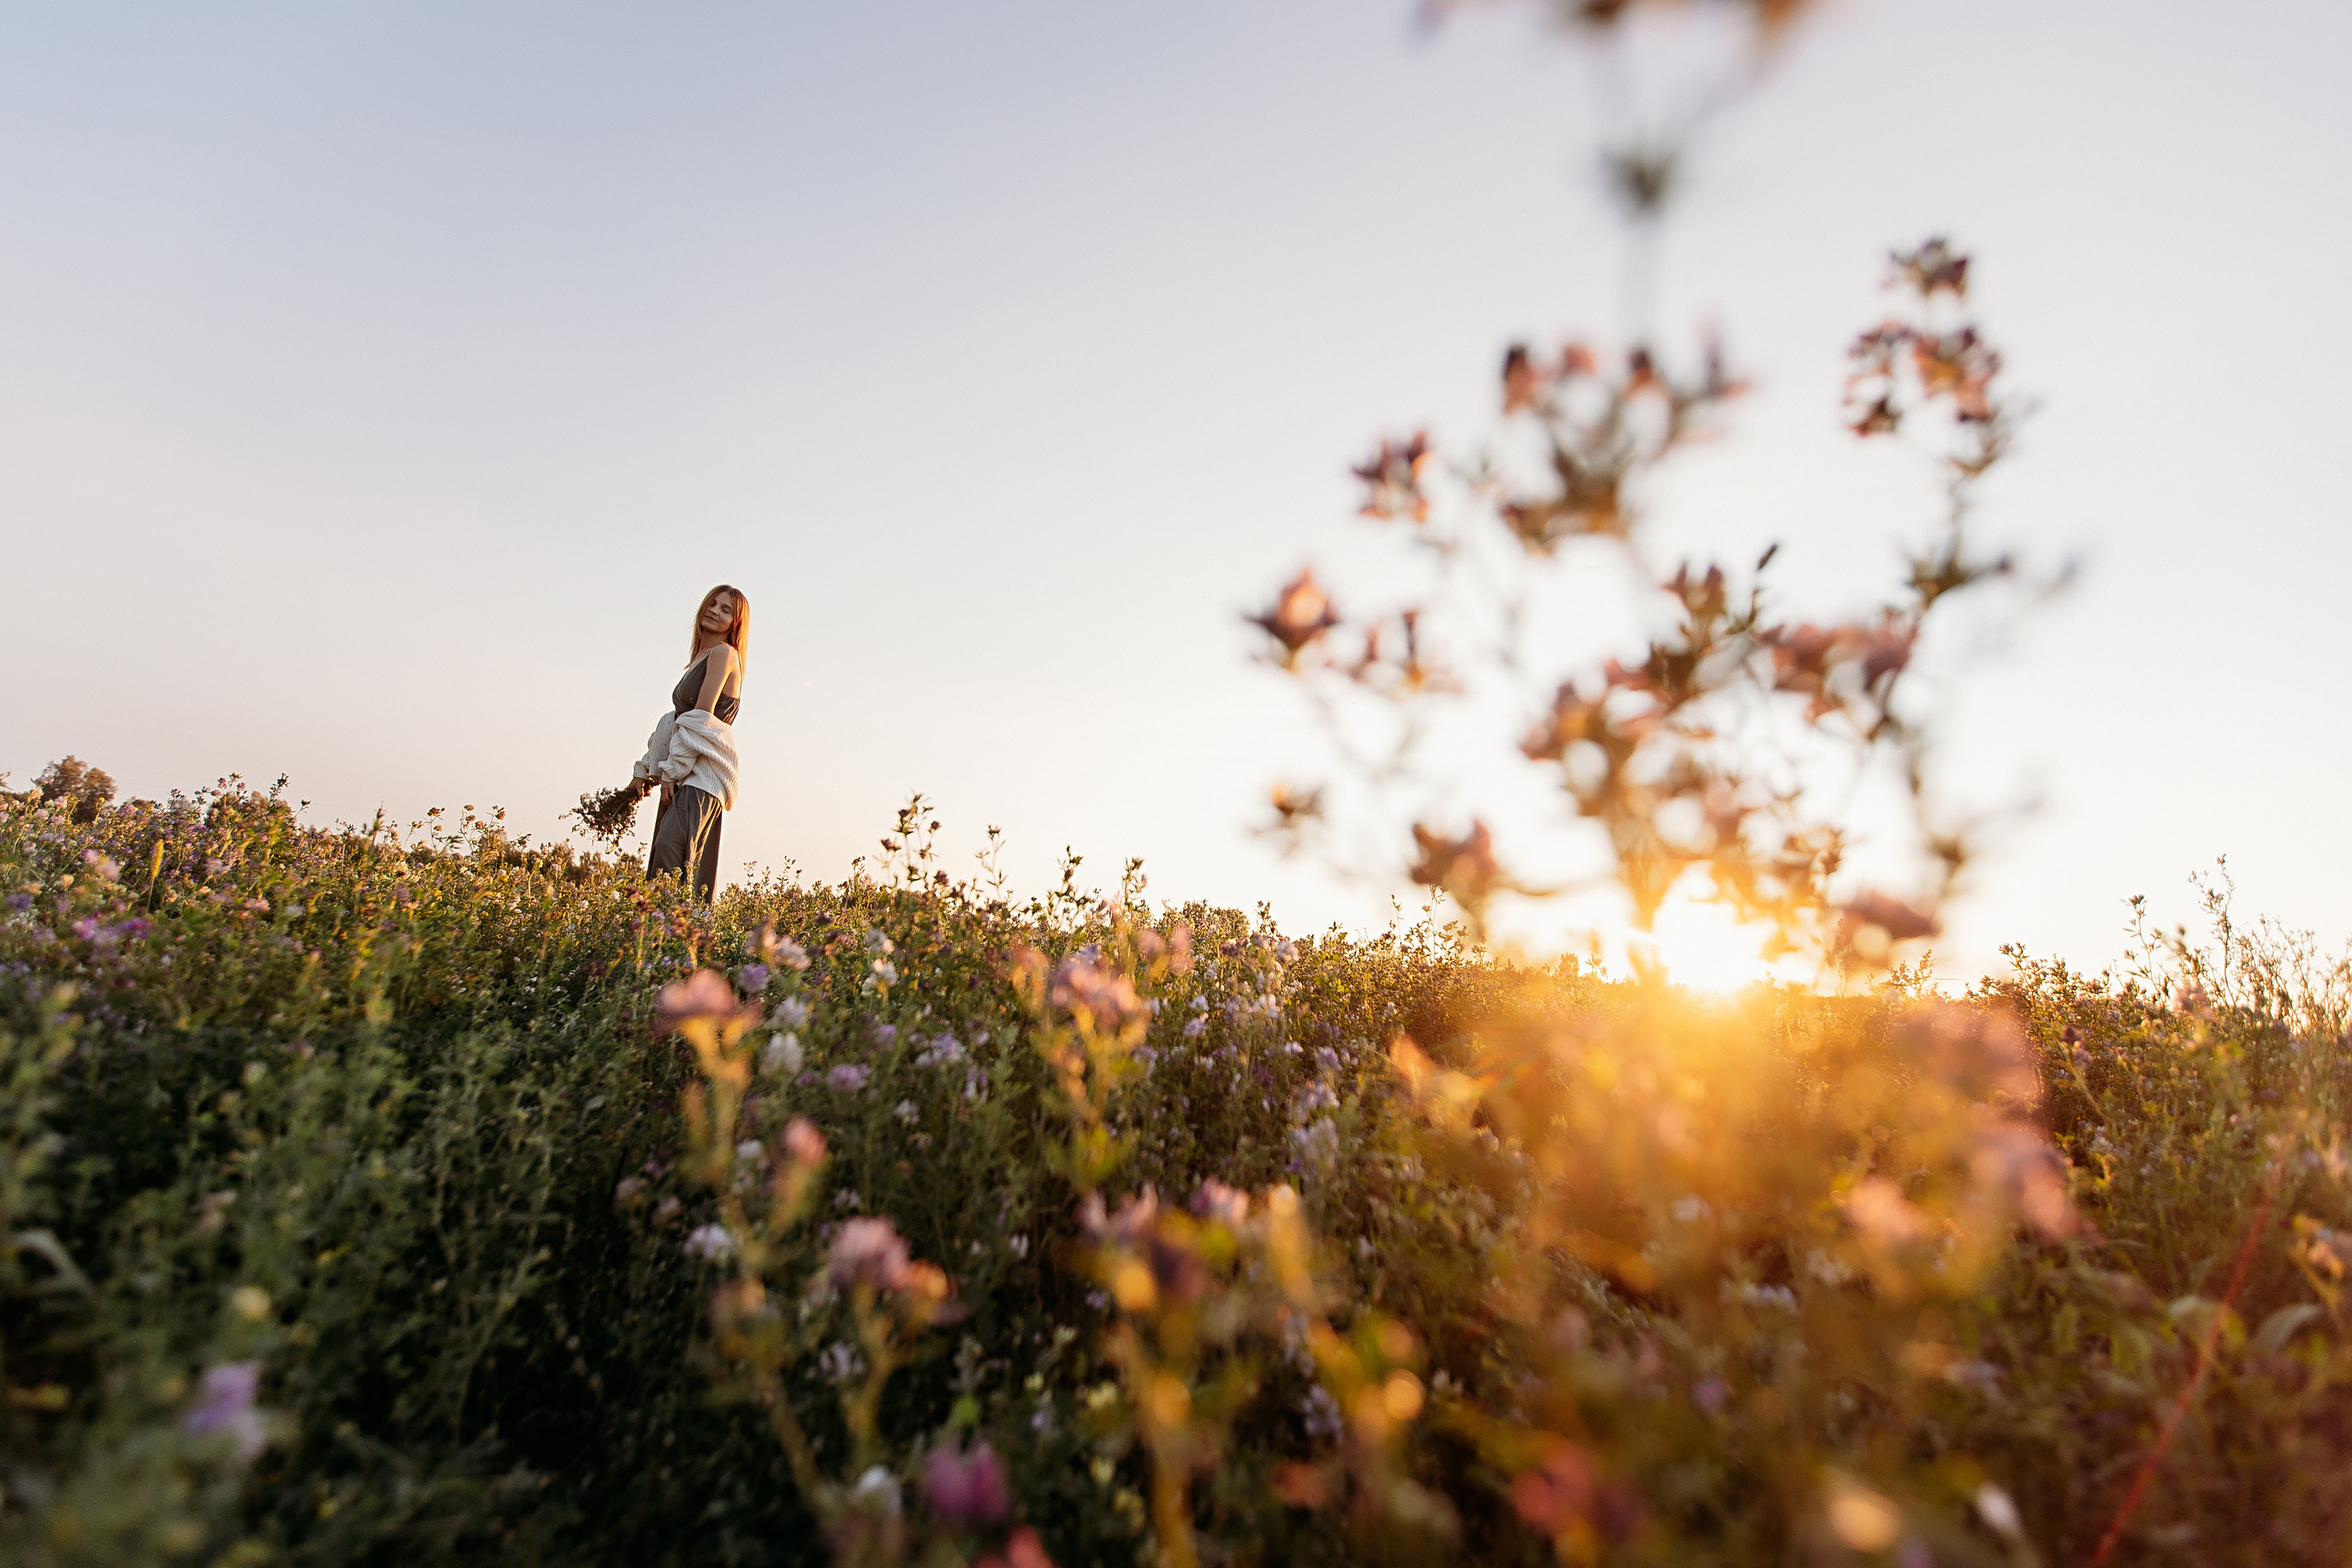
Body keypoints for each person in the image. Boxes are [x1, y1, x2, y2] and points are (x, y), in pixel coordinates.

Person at [631, 585, 748, 900]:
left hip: (705, 776)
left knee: (673, 852)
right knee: (666, 861)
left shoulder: (725, 654)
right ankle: (658, 941)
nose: (714, 610)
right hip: (684, 770)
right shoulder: (700, 659)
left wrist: (669, 771)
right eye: (712, 603)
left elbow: (699, 720)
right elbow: (674, 720)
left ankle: (679, 940)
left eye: (726, 610)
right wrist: (645, 769)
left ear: (735, 624)